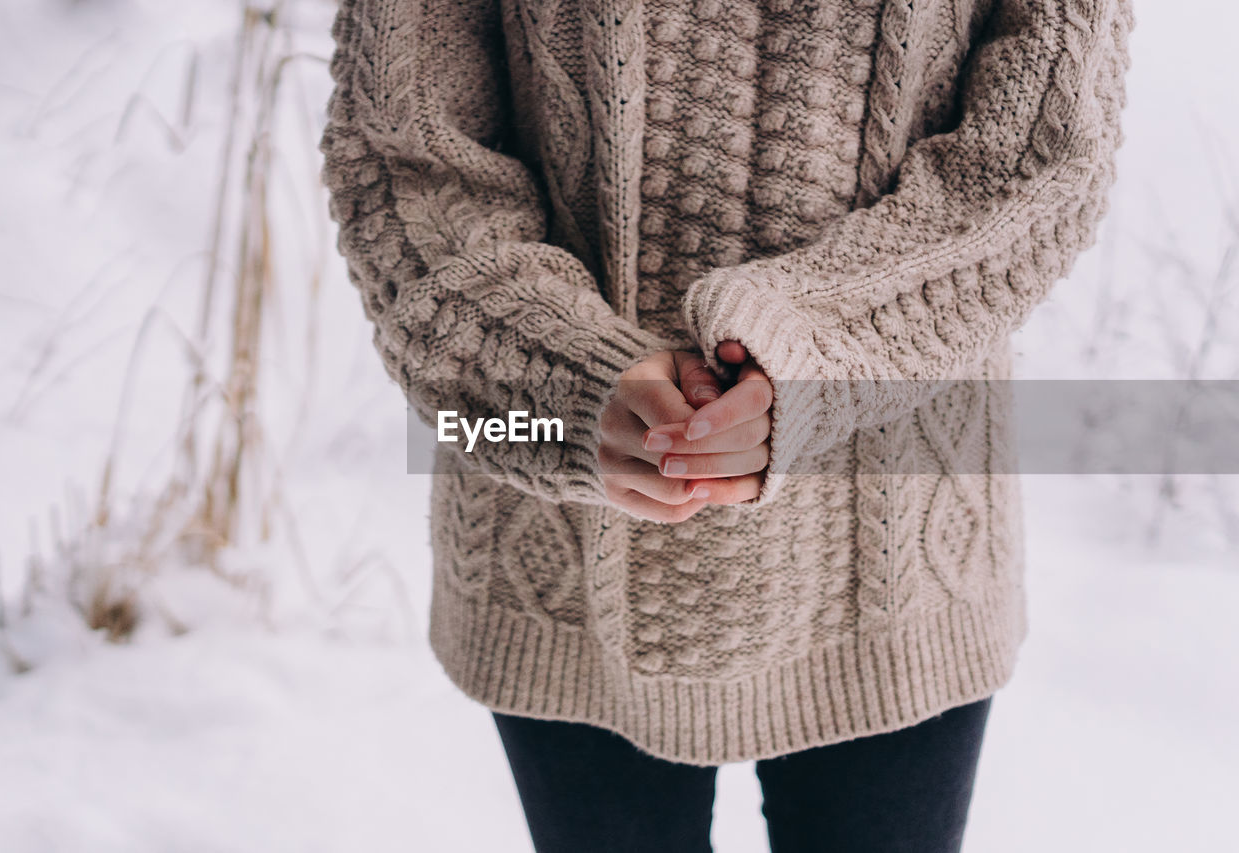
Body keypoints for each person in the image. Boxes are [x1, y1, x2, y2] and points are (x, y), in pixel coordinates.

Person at [318, 0, 1134, 850]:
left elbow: (1040, 159)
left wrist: (819, 347)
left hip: (897, 542)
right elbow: (405, 161)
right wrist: (559, 374)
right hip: (558, 542)